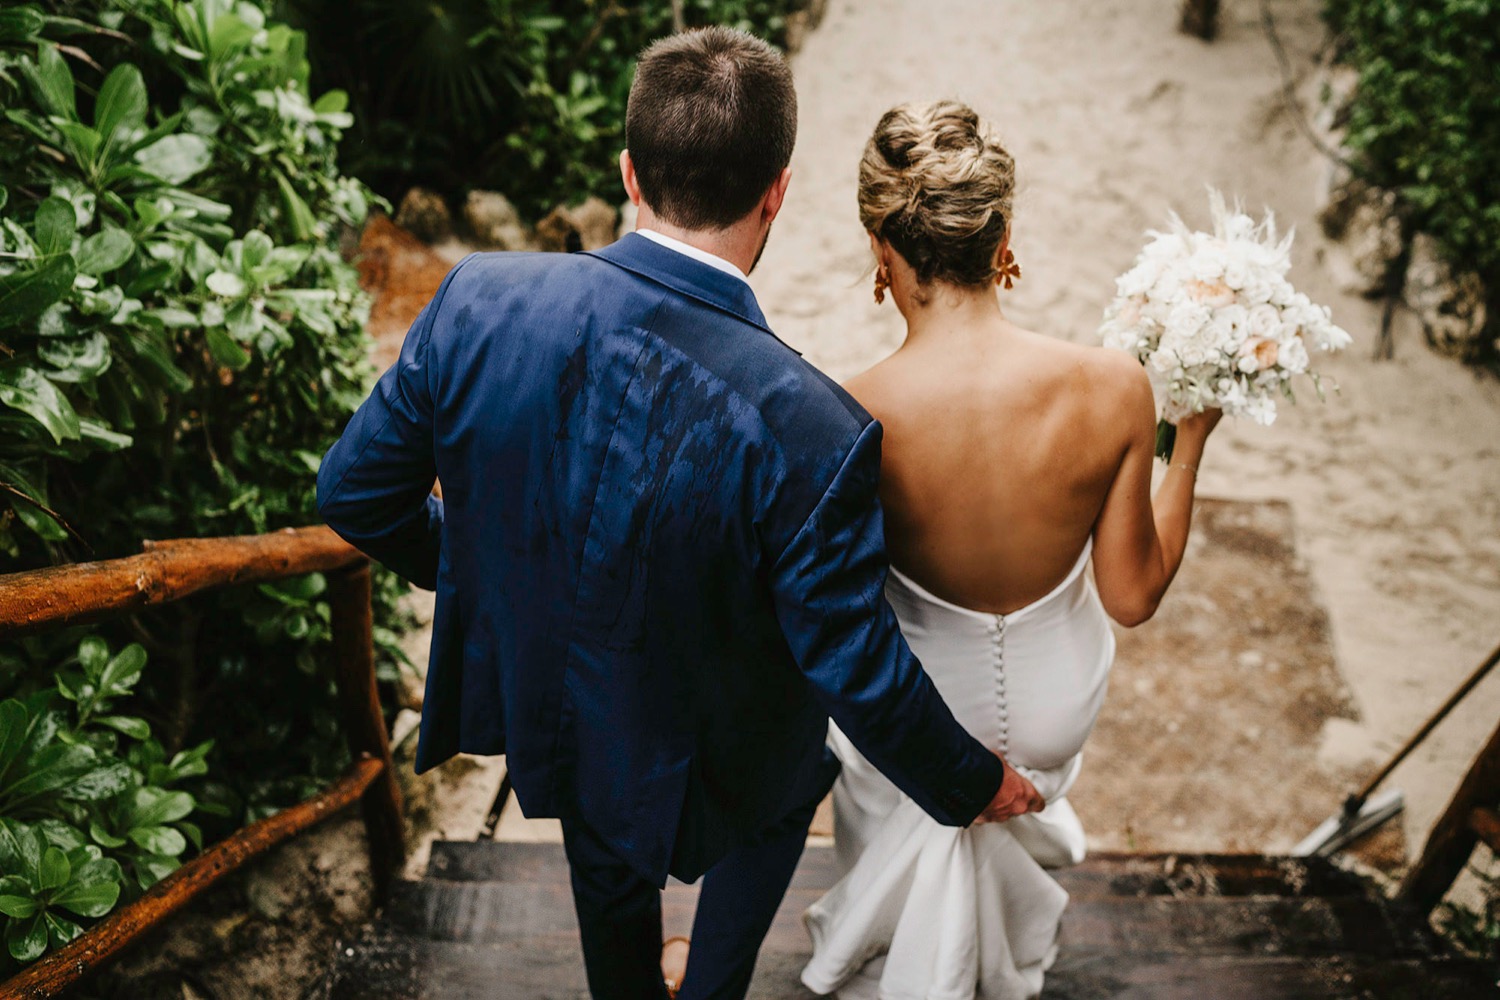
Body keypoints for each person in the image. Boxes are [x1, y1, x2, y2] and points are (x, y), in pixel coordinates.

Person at [316, 33, 1043, 1000]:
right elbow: (854, 664)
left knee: (598, 825)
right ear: (776, 192)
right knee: (791, 784)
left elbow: (354, 492)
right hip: (723, 743)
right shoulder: (814, 426)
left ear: (628, 172)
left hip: (562, 697)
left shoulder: (478, 299)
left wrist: (484, 563)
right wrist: (973, 782)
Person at [799, 100, 1222, 1000]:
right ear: (1004, 239)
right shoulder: (1114, 387)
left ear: (882, 249)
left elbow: (838, 610)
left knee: (874, 755)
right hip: (1052, 713)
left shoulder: (841, 412)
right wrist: (1188, 442)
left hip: (919, 726)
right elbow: (1133, 595)